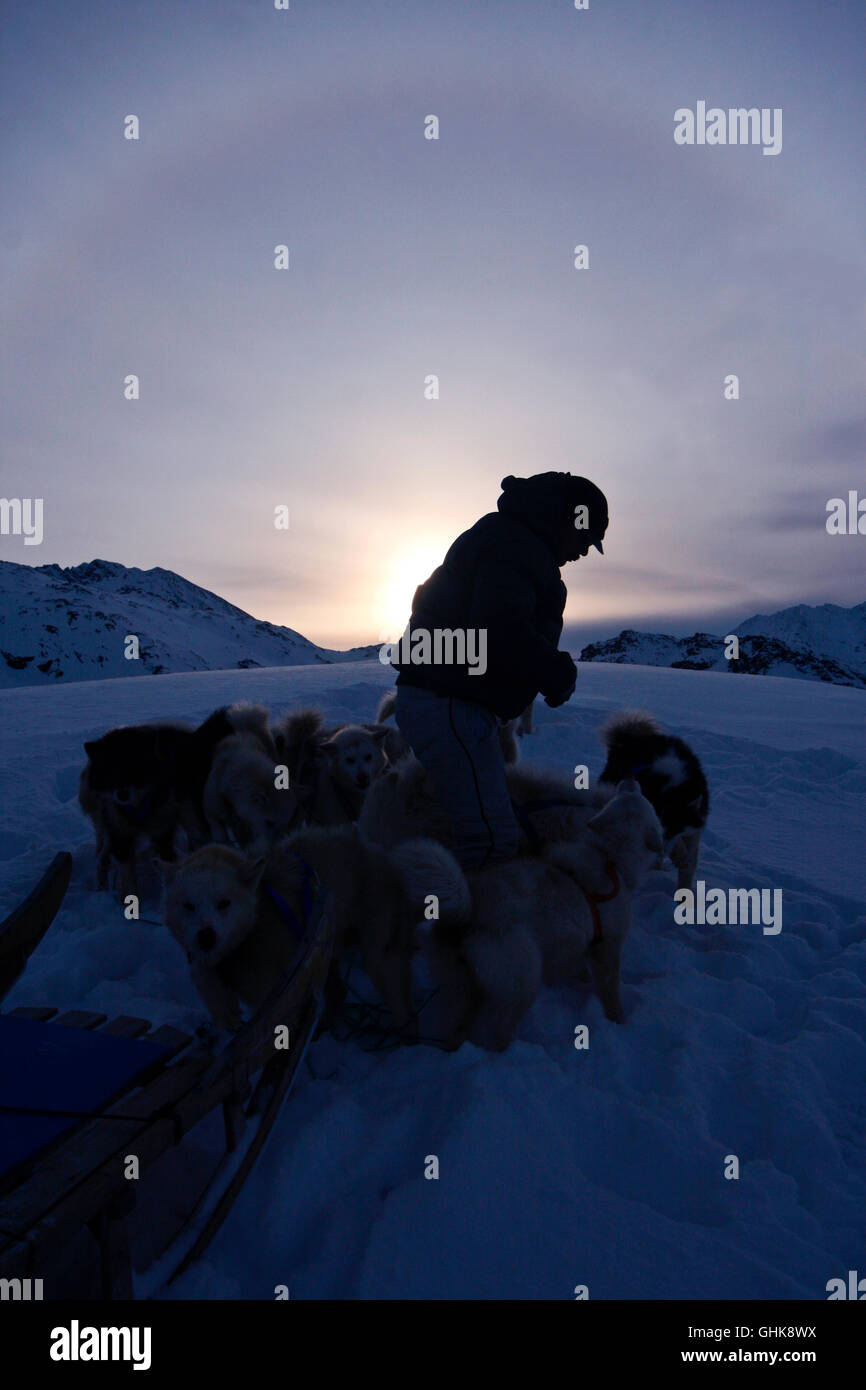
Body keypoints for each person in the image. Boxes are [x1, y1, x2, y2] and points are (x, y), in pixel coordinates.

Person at [390, 472, 608, 869]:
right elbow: (499, 630)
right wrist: (556, 673)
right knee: (491, 842)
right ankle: (456, 926)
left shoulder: (512, 540)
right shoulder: (517, 546)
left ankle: (419, 913)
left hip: (446, 700)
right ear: (569, 519)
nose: (584, 553)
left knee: (468, 827)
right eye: (585, 538)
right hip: (450, 704)